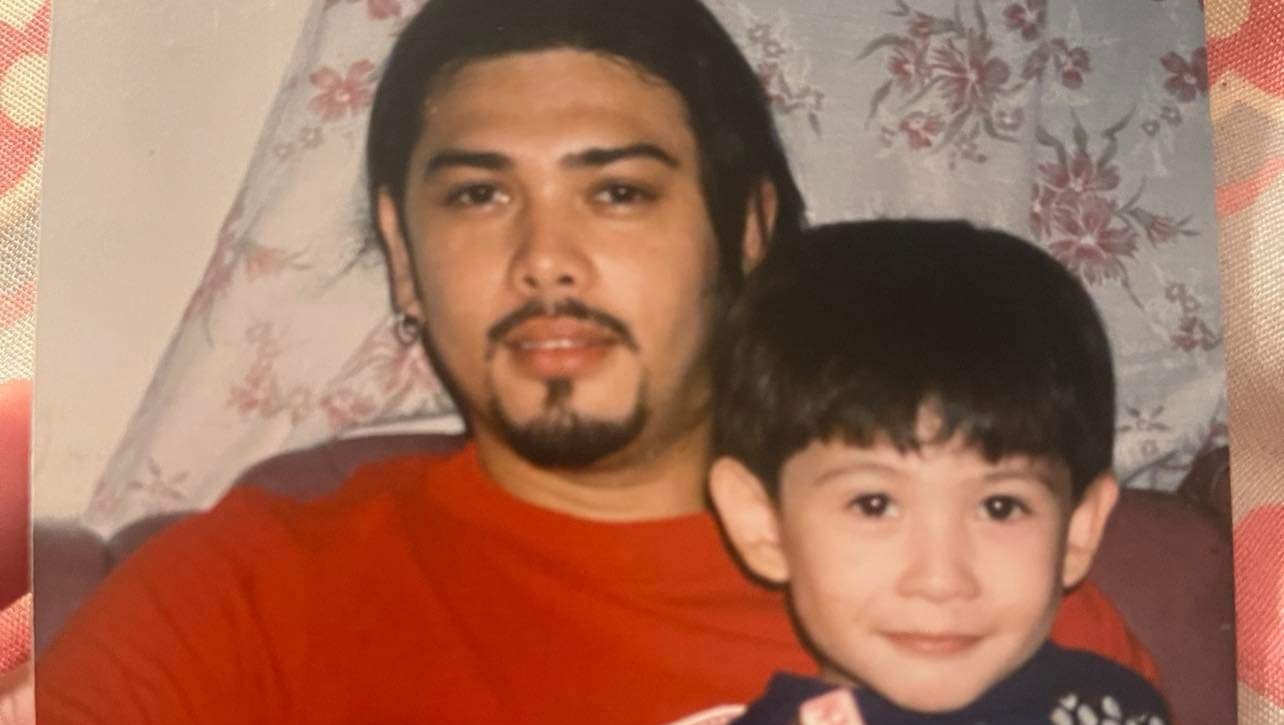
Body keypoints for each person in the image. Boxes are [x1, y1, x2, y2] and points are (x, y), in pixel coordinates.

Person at [37, 1, 1159, 723]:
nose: (545, 257)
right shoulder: (241, 591)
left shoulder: (972, 590)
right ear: (403, 255)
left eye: (618, 190)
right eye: (480, 195)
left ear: (748, 233)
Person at [709, 221, 1169, 724]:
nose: (940, 580)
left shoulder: (1120, 708)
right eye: (874, 505)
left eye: (1000, 507)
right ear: (763, 525)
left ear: (1080, 532)